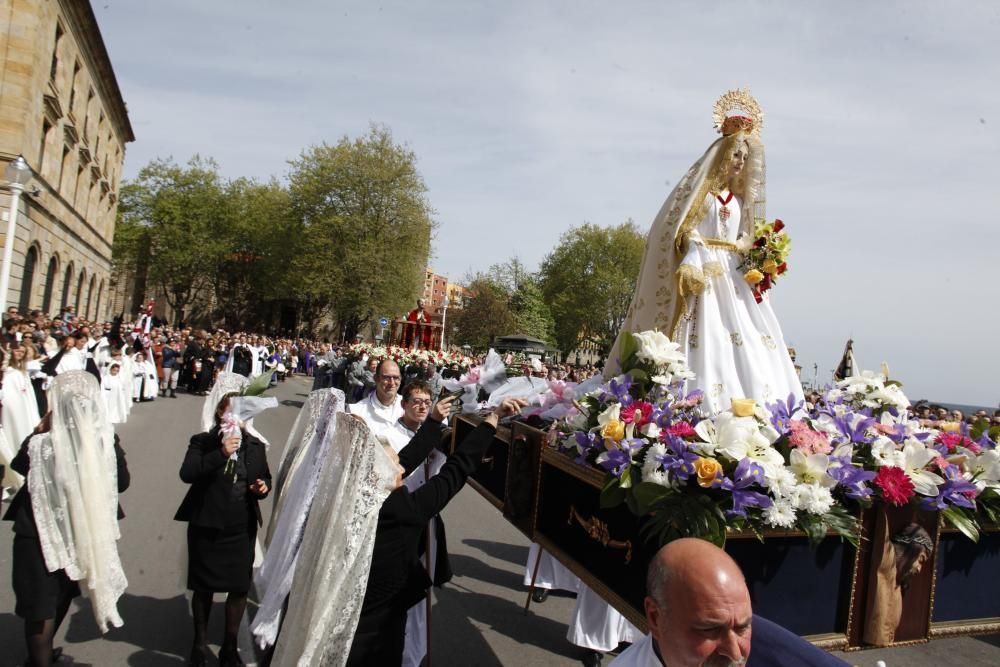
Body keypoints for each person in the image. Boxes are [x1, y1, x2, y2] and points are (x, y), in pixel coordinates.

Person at [271, 395, 525, 666]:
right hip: (375, 640)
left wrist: (434, 421)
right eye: (393, 462)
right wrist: (491, 421)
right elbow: (456, 469)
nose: (400, 467)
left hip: (325, 627)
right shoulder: (401, 511)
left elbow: (406, 458)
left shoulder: (338, 497)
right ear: (382, 472)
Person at [606, 89, 803, 414]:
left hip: (735, 274)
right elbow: (685, 230)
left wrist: (759, 256)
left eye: (744, 157)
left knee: (751, 336)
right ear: (722, 155)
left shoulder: (739, 202)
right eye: (735, 155)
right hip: (706, 268)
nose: (739, 162)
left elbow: (743, 235)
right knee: (702, 333)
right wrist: (696, 255)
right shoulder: (705, 196)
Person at [3, 371, 130, 666]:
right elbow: (121, 482)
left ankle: (40, 655)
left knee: (42, 604)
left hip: (38, 533)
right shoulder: (104, 441)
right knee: (56, 596)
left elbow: (20, 466)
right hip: (78, 532)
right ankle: (41, 656)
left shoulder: (41, 443)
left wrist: (38, 431)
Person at [610, 537, 846, 666]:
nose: (735, 653)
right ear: (655, 617)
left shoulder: (768, 646)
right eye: (710, 630)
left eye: (743, 626)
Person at [174, 390, 272, 666]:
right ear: (220, 413)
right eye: (233, 410)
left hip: (241, 528)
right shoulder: (204, 441)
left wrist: (263, 487)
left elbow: (265, 478)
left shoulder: (254, 445)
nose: (238, 416)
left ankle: (229, 648)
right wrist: (221, 453)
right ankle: (199, 644)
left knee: (239, 589)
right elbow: (188, 473)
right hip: (208, 525)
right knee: (204, 588)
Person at [381, 380, 451, 667]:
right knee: (400, 591)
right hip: (399, 524)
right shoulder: (389, 436)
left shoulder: (437, 435)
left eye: (427, 401)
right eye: (416, 401)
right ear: (404, 404)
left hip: (427, 524)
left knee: (422, 594)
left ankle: (416, 654)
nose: (422, 406)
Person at [2, 343, 42, 484]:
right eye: (17, 350)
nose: (19, 353)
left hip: (22, 408)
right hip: (9, 408)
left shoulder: (21, 371)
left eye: (22, 351)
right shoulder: (8, 370)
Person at [348, 358, 404, 439]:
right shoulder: (357, 411)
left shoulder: (410, 407)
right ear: (376, 379)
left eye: (396, 377)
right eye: (386, 377)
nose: (392, 383)